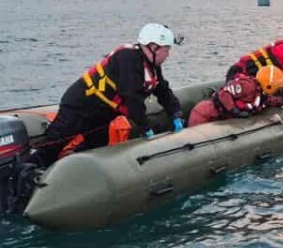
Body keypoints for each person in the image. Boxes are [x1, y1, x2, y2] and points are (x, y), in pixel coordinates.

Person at [34, 23, 185, 166]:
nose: (168, 55)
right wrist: (145, 128)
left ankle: (72, 169)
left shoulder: (151, 65)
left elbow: (162, 89)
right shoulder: (128, 58)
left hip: (101, 113)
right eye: (166, 50)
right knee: (53, 144)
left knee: (96, 146)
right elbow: (132, 98)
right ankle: (29, 168)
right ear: (153, 47)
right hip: (81, 106)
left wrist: (175, 113)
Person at [188, 65, 283, 127]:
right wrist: (234, 110)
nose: (278, 90)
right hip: (204, 114)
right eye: (278, 88)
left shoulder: (260, 95)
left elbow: (269, 101)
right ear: (269, 85)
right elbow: (225, 93)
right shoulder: (248, 86)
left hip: (218, 119)